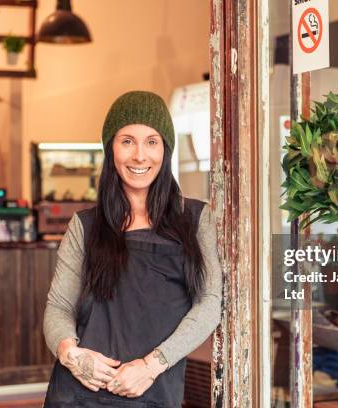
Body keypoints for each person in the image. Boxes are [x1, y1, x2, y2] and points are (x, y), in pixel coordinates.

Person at [42, 91, 223, 407]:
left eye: (151, 142)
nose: (140, 155)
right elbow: (59, 305)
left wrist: (152, 365)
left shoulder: (194, 219)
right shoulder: (85, 225)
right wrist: (71, 355)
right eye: (127, 141)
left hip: (151, 388)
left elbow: (210, 302)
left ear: (165, 150)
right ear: (111, 148)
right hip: (78, 392)